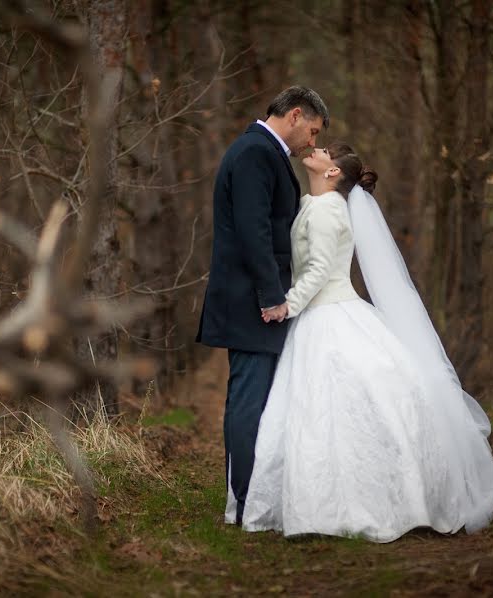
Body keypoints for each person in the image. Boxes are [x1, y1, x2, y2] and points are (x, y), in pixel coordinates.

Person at [242, 143, 493, 540]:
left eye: (324, 152)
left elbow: (322, 269)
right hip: (321, 315)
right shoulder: (313, 203)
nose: (316, 149)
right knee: (319, 411)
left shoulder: (328, 209)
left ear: (332, 174)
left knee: (332, 407)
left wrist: (285, 306)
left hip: (327, 313)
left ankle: (353, 504)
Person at [196, 86, 330, 526]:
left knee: (251, 397)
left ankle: (249, 497)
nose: (312, 142)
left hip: (252, 297)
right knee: (249, 399)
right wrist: (273, 298)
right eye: (311, 131)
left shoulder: (260, 151)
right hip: (252, 300)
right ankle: (247, 499)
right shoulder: (256, 153)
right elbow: (253, 232)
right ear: (294, 116)